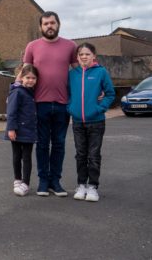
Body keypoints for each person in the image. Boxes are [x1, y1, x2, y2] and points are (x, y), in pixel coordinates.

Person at [23, 11, 77, 197]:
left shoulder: (71, 46)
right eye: (45, 24)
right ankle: (43, 181)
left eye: (52, 23)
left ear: (58, 24)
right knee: (43, 145)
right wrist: (14, 94)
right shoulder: (32, 46)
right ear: (40, 27)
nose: (49, 26)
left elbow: (79, 73)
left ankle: (56, 181)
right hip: (39, 104)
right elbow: (24, 73)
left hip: (63, 104)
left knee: (59, 144)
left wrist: (97, 87)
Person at [67, 43, 115, 202]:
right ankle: (81, 185)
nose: (84, 57)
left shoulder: (101, 72)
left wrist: (100, 108)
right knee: (80, 154)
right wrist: (70, 108)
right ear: (77, 57)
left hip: (96, 122)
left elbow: (110, 94)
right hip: (78, 122)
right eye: (81, 54)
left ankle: (93, 187)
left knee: (93, 155)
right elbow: (67, 93)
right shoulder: (72, 74)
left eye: (87, 54)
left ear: (94, 56)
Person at [5, 64, 39, 197]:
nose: (30, 80)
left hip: (29, 131)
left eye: (33, 78)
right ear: (21, 78)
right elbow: (11, 111)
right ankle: (18, 180)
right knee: (16, 156)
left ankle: (25, 183)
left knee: (27, 157)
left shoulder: (31, 92)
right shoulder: (17, 92)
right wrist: (11, 128)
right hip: (17, 130)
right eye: (27, 77)